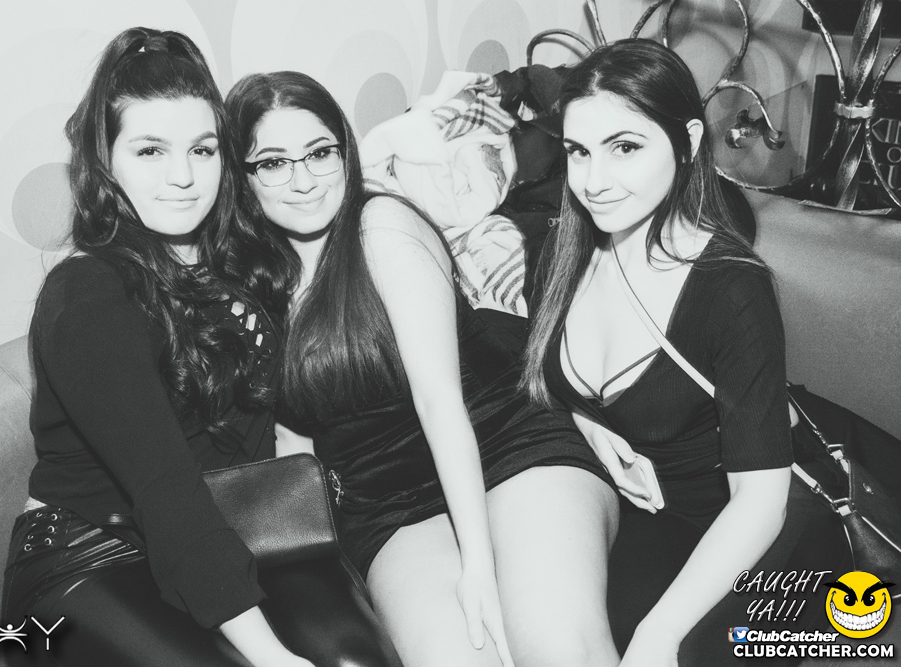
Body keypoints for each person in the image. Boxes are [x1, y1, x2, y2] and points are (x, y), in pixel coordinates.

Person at [1, 27, 400, 667]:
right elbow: (166, 494)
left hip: (242, 521)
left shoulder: (241, 259)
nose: (183, 176)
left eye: (202, 149)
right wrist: (272, 658)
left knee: (356, 660)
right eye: (150, 150)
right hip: (93, 553)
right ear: (105, 161)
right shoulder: (88, 294)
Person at [225, 71, 620, 667]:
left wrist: (479, 567)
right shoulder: (252, 281)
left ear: (344, 151)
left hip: (501, 446)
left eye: (320, 152)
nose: (303, 180)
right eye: (274, 163)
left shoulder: (381, 226)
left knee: (554, 645)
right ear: (244, 176)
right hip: (386, 504)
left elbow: (441, 404)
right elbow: (292, 437)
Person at [520, 39, 847, 666]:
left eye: (625, 147)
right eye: (578, 151)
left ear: (687, 141)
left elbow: (761, 501)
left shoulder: (730, 287)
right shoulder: (557, 258)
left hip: (750, 538)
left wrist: (662, 633)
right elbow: (544, 379)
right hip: (650, 523)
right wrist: (591, 428)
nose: (594, 181)